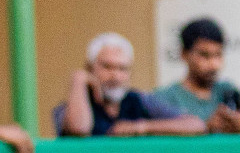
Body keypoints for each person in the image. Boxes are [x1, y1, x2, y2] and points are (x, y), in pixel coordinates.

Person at [55, 33, 204, 138]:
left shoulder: (140, 100)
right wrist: (78, 81)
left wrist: (139, 127)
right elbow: (78, 129)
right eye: (107, 67)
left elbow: (195, 125)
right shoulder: (72, 106)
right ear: (90, 68)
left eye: (122, 69)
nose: (115, 76)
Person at [152, 18, 240, 134]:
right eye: (204, 55)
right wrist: (205, 127)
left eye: (218, 55)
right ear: (184, 54)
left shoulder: (228, 90)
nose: (213, 64)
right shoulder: (165, 98)